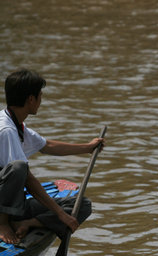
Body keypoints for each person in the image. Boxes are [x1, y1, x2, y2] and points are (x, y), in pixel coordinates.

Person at [0, 69, 105, 245]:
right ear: (31, 99)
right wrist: (59, 214)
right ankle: (2, 223)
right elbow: (26, 177)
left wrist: (88, 148)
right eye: (40, 96)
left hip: (13, 204)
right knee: (19, 167)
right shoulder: (7, 129)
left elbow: (47, 146)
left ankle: (28, 222)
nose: (41, 100)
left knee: (82, 205)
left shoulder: (16, 123)